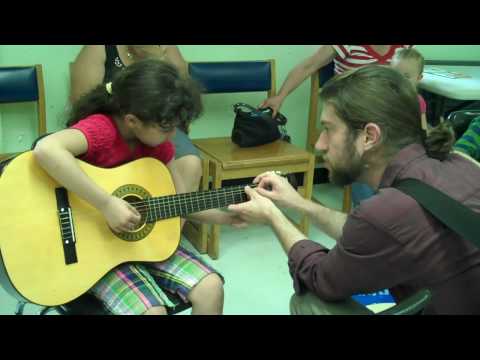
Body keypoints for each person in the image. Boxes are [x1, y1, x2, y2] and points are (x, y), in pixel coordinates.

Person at [229, 65, 480, 315]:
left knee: (309, 304)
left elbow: (319, 278)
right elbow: (371, 233)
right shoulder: (461, 165)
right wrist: (298, 203)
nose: (319, 144)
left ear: (369, 137)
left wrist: (273, 217)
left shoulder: (386, 209)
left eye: (328, 129)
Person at [34, 59, 246, 315]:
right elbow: (47, 149)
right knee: (152, 311)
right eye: (166, 128)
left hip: (140, 246)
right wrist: (107, 203)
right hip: (93, 253)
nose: (173, 136)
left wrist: (226, 217)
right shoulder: (102, 129)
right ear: (132, 120)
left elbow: (178, 203)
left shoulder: (160, 147)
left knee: (211, 288)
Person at [70, 45, 202, 194]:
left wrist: (157, 59)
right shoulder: (100, 48)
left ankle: (162, 216)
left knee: (190, 164)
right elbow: (81, 102)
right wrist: (105, 203)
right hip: (118, 125)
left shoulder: (160, 143)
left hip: (156, 124)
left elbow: (180, 94)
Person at [261, 45, 413, 116]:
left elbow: (408, 74)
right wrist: (280, 97)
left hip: (385, 107)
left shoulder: (403, 47)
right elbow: (309, 65)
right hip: (349, 104)